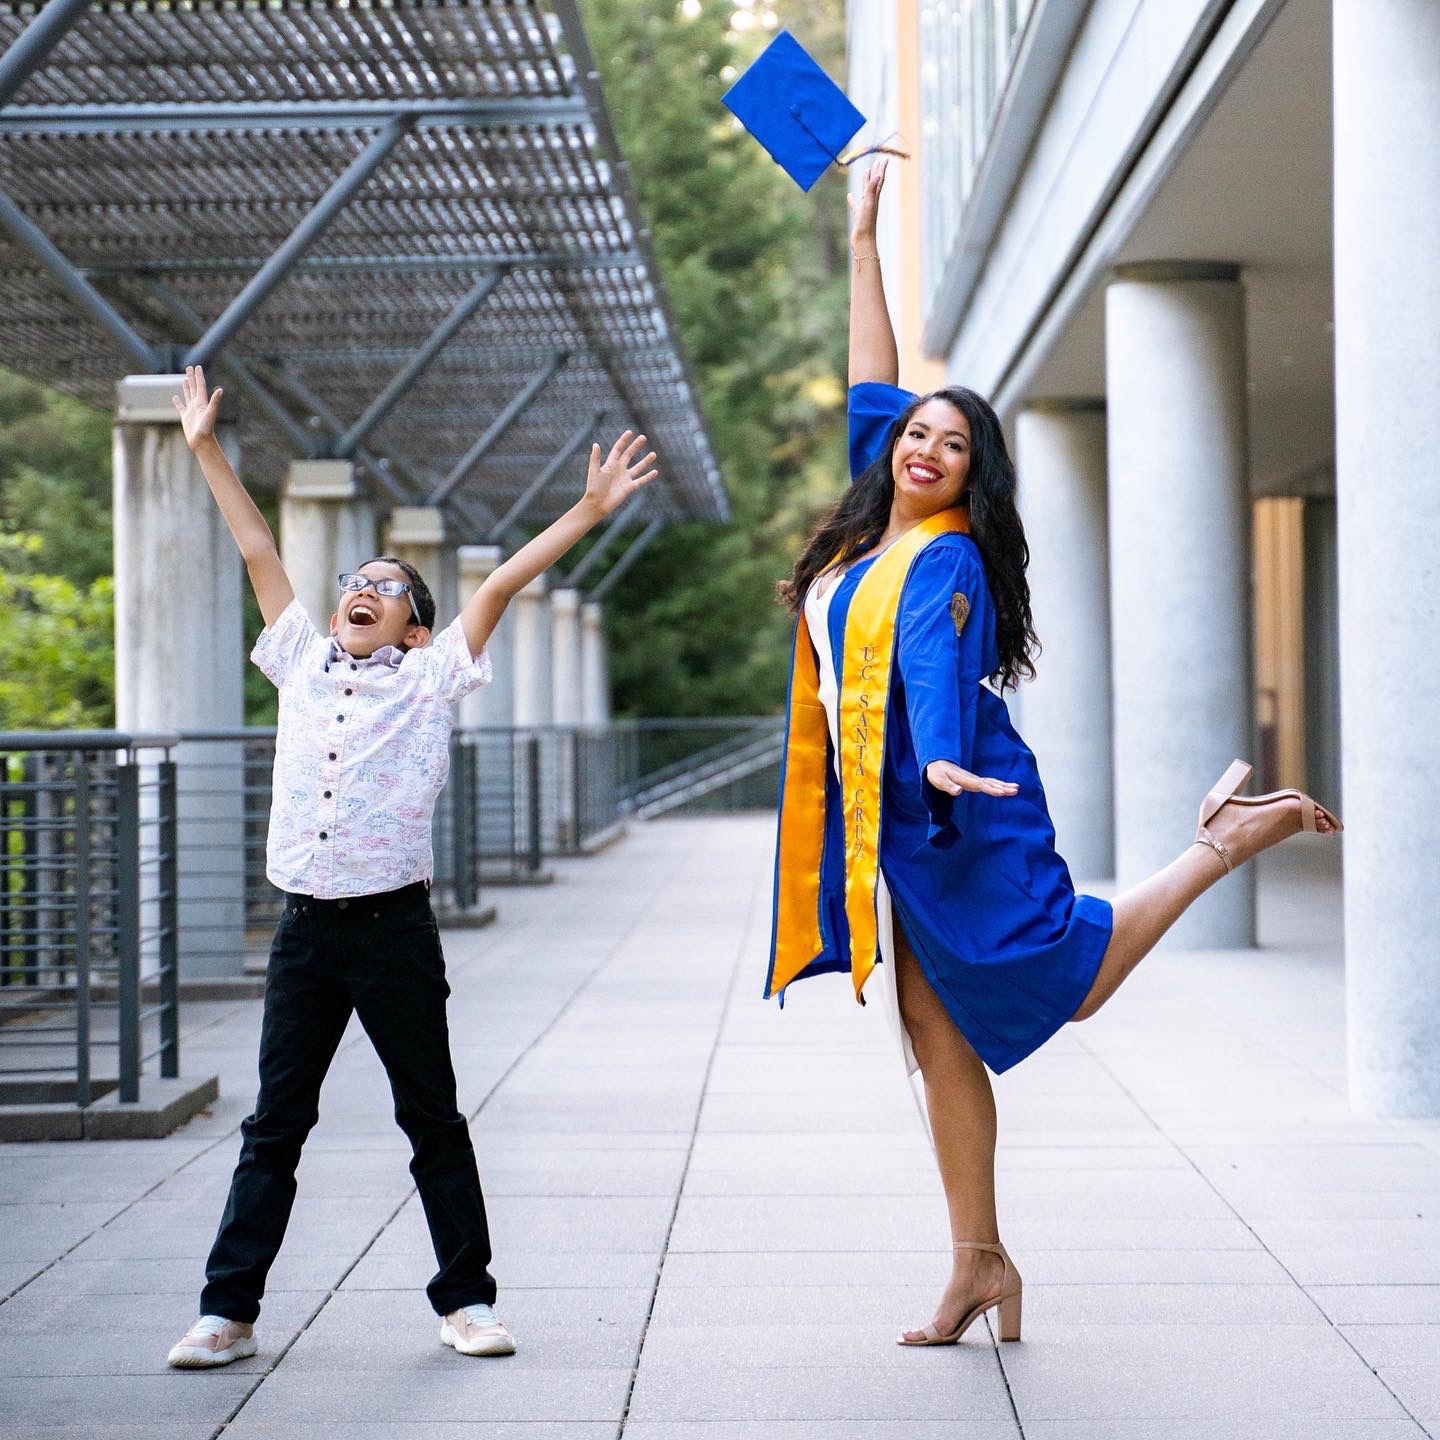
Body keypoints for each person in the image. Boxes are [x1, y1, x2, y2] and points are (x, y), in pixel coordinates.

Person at [765, 160, 1341, 1349]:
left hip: (960, 802)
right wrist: (862, 237)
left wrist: (929, 764)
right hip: (905, 819)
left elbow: (930, 669)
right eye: (916, 435)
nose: (926, 447)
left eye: (953, 445)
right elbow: (875, 376)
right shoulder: (870, 535)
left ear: (975, 479)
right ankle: (980, 1262)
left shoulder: (949, 560)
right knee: (934, 1036)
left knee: (1060, 981)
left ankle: (1217, 848)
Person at [164, 366, 657, 1367]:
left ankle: (468, 1301)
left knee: (429, 1115)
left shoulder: (432, 679)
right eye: (357, 580)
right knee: (275, 1125)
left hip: (392, 928)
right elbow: (257, 545)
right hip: (305, 931)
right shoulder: (300, 661)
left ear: (414, 627)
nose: (363, 591)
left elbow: (503, 582)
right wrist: (205, 447)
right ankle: (228, 1311)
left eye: (386, 588)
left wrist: (589, 509)